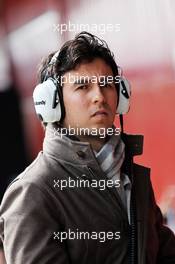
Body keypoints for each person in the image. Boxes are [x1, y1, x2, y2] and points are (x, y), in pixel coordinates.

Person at [0, 31, 175, 264]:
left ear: (121, 96)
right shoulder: (33, 193)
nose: (99, 96)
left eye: (107, 85)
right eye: (82, 86)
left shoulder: (134, 176)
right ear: (53, 103)